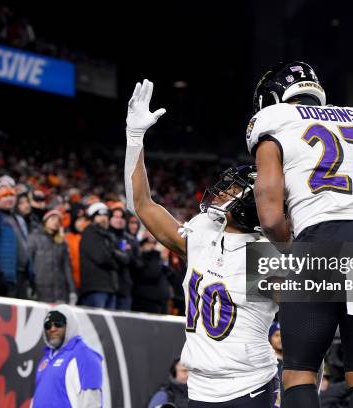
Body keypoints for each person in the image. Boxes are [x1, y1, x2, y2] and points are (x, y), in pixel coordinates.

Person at [125, 80, 278, 406]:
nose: (221, 191)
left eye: (233, 190)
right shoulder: (203, 234)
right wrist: (134, 138)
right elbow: (143, 205)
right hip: (200, 388)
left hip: (248, 387)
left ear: (254, 205)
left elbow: (351, 284)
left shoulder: (262, 255)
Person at [248, 62, 353, 408]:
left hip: (318, 240)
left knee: (298, 372)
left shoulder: (273, 122)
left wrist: (291, 250)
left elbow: (268, 215)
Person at [33, 305, 103, 407]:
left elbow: (91, 401)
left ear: (70, 324)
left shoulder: (85, 354)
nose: (52, 329)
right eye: (48, 326)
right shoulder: (47, 358)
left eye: (58, 324)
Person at [0, 182, 32, 298]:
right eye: (5, 196)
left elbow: (25, 244)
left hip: (21, 273)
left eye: (11, 195)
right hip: (5, 274)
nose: (9, 198)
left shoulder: (17, 218)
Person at [79, 202, 126, 309]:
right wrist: (115, 261)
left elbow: (124, 258)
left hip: (110, 287)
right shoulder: (89, 232)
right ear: (92, 218)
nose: (103, 218)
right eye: (99, 215)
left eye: (105, 215)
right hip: (95, 287)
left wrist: (113, 256)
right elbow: (101, 257)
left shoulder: (109, 236)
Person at [28, 209, 76, 304]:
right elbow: (29, 263)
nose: (56, 222)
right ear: (45, 220)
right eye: (53, 218)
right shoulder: (34, 238)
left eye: (59, 220)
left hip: (60, 291)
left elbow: (67, 268)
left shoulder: (62, 243)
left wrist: (72, 290)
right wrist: (29, 285)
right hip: (40, 289)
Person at [109, 207, 142, 311]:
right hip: (108, 286)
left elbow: (139, 264)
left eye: (122, 217)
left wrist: (129, 255)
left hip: (125, 287)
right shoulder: (105, 236)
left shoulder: (131, 240)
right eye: (116, 216)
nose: (119, 220)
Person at [132, 234, 172, 314]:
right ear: (142, 246)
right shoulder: (143, 258)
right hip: (146, 300)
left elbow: (171, 274)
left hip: (161, 300)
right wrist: (155, 254)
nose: (152, 246)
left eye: (154, 244)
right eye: (149, 243)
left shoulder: (158, 259)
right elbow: (152, 274)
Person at [66, 207, 90, 290]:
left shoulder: (92, 237)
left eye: (84, 220)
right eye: (79, 220)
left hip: (90, 283)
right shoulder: (68, 239)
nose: (83, 223)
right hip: (74, 282)